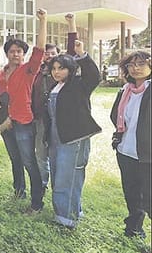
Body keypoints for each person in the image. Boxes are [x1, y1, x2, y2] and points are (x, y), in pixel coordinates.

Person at [0, 8, 47, 213]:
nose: (16, 54)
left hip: (23, 122)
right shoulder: (0, 73)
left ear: (23, 54)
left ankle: (37, 203)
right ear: (7, 53)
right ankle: (19, 191)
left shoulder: (28, 70)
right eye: (12, 51)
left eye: (19, 51)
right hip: (5, 123)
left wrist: (43, 21)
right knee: (15, 159)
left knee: (28, 161)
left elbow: (40, 49)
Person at [47, 40, 101, 228]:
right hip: (56, 138)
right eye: (54, 68)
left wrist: (82, 54)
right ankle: (72, 209)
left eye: (61, 68)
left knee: (67, 177)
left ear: (70, 69)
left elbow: (94, 77)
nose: (56, 72)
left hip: (74, 138)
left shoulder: (79, 84)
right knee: (59, 175)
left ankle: (66, 219)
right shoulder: (54, 87)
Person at [32, 13, 78, 196]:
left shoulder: (64, 75)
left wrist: (71, 24)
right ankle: (42, 185)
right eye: (47, 54)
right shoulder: (38, 72)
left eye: (53, 54)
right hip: (40, 120)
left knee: (58, 156)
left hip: (59, 122)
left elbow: (72, 50)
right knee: (41, 155)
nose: (49, 57)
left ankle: (58, 190)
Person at [110, 51, 151, 238]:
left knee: (149, 198)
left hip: (147, 154)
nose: (136, 68)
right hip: (126, 150)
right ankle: (134, 229)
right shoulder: (125, 91)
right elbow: (115, 117)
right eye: (131, 65)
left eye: (141, 64)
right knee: (132, 193)